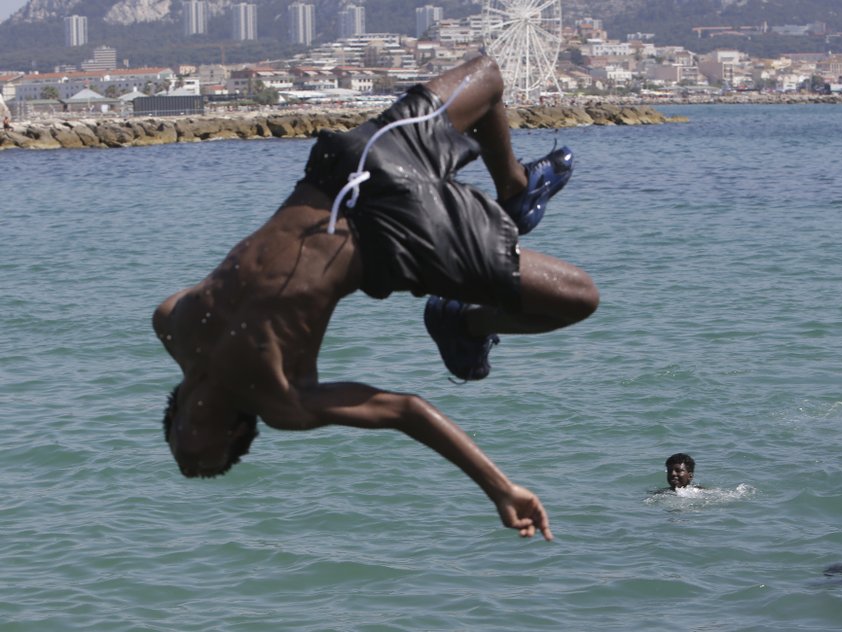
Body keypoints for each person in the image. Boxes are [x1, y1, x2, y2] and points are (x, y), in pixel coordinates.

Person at [152, 54, 599, 541]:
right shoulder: (283, 402)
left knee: (488, 78)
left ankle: (513, 186)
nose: (191, 465)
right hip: (398, 239)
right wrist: (500, 488)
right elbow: (405, 411)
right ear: (237, 434)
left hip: (347, 170)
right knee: (579, 297)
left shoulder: (172, 322)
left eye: (184, 457)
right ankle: (461, 323)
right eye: (207, 464)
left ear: (173, 422)